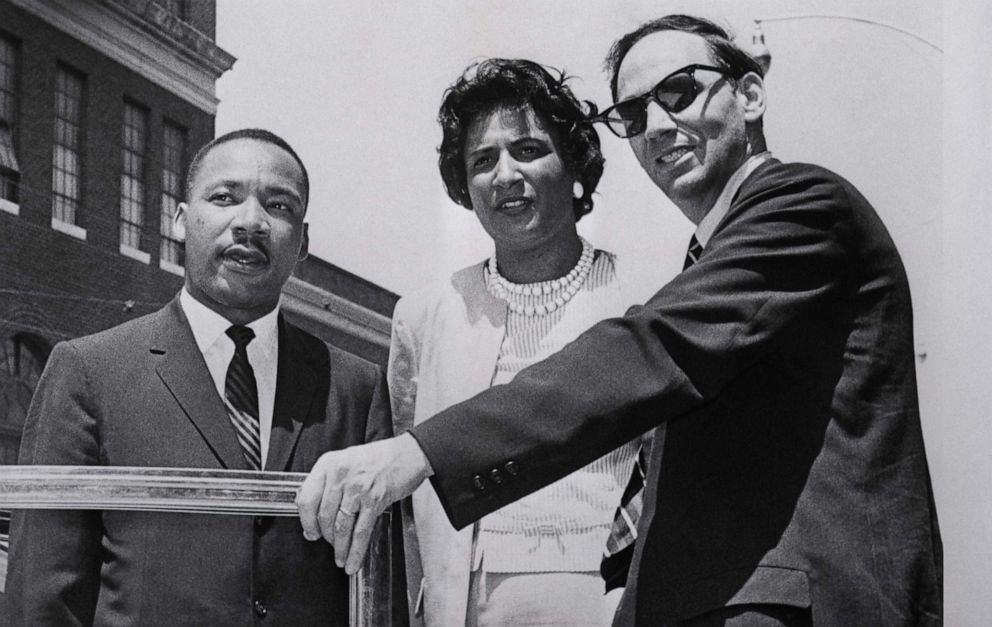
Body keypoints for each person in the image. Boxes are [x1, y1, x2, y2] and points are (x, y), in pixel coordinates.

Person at [296, 15, 942, 626]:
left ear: (749, 94)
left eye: (680, 92)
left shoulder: (803, 207)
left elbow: (650, 351)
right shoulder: (709, 254)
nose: (658, 125)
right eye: (633, 114)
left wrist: (419, 450)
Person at [6, 128, 391, 626]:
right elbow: (42, 598)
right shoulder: (89, 371)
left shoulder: (356, 389)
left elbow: (381, 595)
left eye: (279, 206)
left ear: (303, 243)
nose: (249, 221)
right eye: (224, 197)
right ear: (182, 221)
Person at [389, 58, 651, 626]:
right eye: (483, 160)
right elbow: (412, 502)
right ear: (465, 186)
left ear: (575, 166)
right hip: (462, 604)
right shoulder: (424, 317)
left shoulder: (643, 298)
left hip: (610, 599)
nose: (505, 174)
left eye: (528, 150)